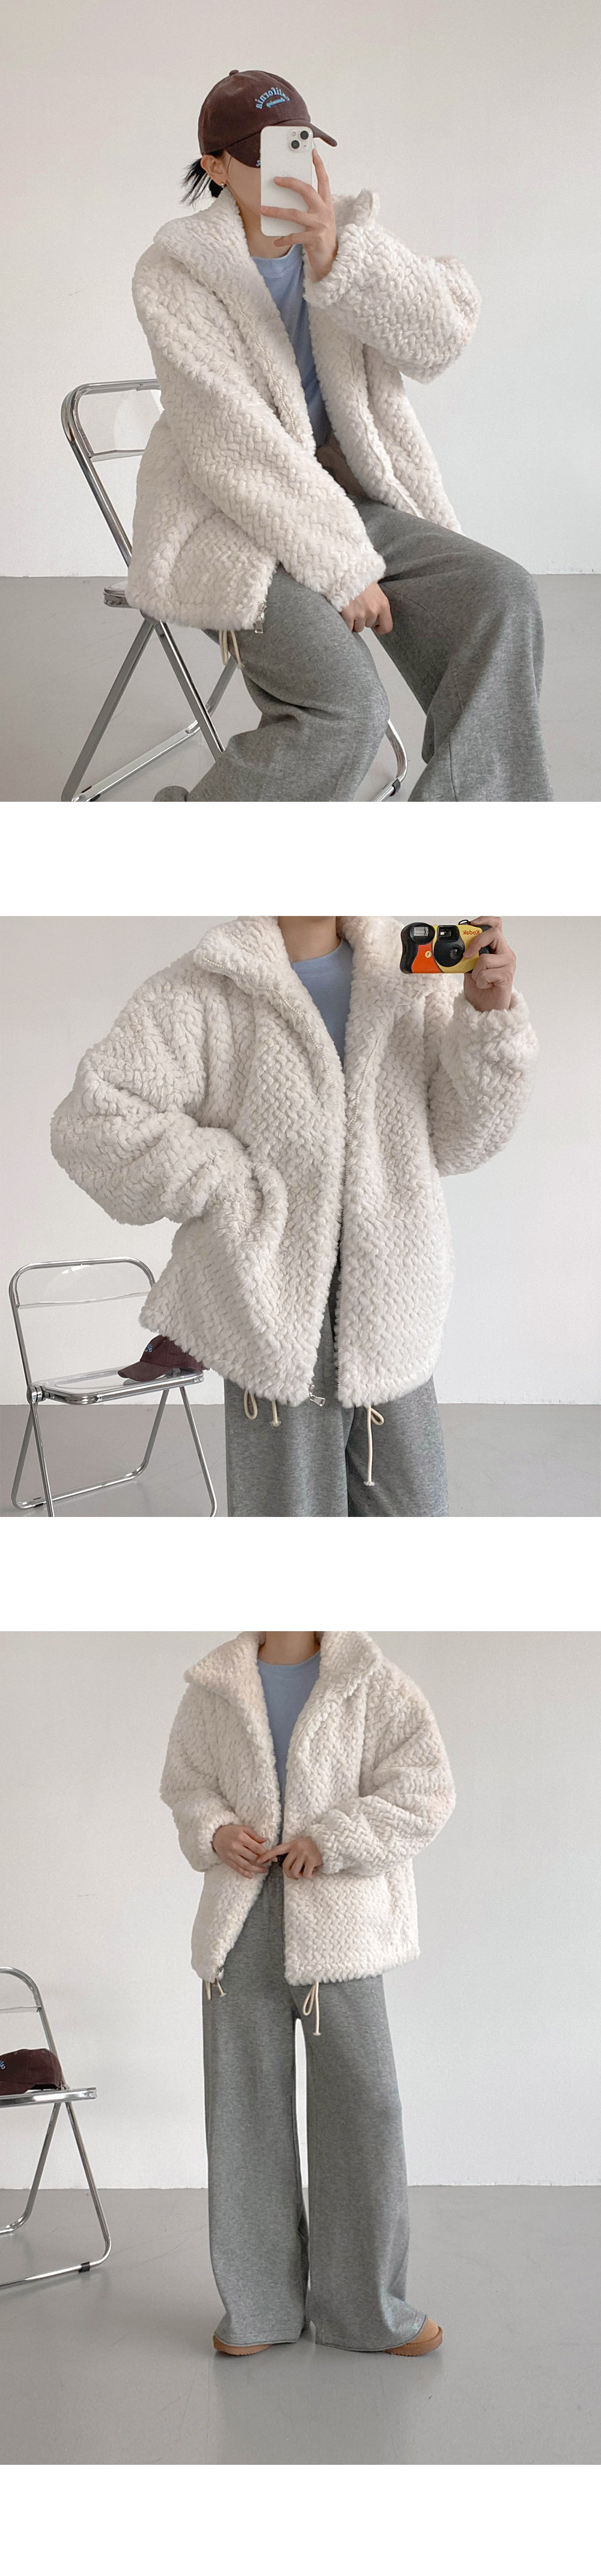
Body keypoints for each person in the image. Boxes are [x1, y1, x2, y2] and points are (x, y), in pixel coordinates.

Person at [127, 65, 552, 802]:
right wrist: (341, 564)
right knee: (347, 711)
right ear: (216, 168)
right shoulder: (175, 273)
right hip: (228, 520)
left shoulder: (347, 236)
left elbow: (441, 339)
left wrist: (337, 260)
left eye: (298, 144)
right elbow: (232, 446)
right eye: (263, 155)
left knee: (500, 596)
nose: (290, 169)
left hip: (341, 504)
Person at [50, 912, 537, 1518]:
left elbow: (461, 1139)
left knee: (414, 1513)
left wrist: (487, 1018)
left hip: (394, 1297)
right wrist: (229, 1182)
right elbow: (93, 1124)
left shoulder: (412, 977)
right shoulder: (203, 987)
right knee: (289, 1526)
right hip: (269, 1296)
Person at [160, 1626, 457, 2357]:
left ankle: (369, 2310)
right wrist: (215, 1830)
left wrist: (335, 1837)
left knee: (365, 2111)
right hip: (240, 1925)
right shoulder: (213, 1686)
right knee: (244, 2118)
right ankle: (258, 2309)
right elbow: (186, 1786)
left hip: (340, 1925)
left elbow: (425, 1791)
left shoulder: (371, 1680)